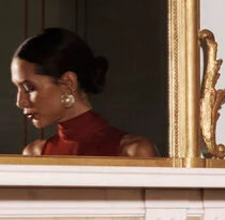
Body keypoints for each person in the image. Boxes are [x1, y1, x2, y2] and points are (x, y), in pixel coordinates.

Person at [11, 27, 158, 158]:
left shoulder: (133, 152)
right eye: (17, 88)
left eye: (29, 88)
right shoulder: (35, 154)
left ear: (68, 83)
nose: (20, 102)